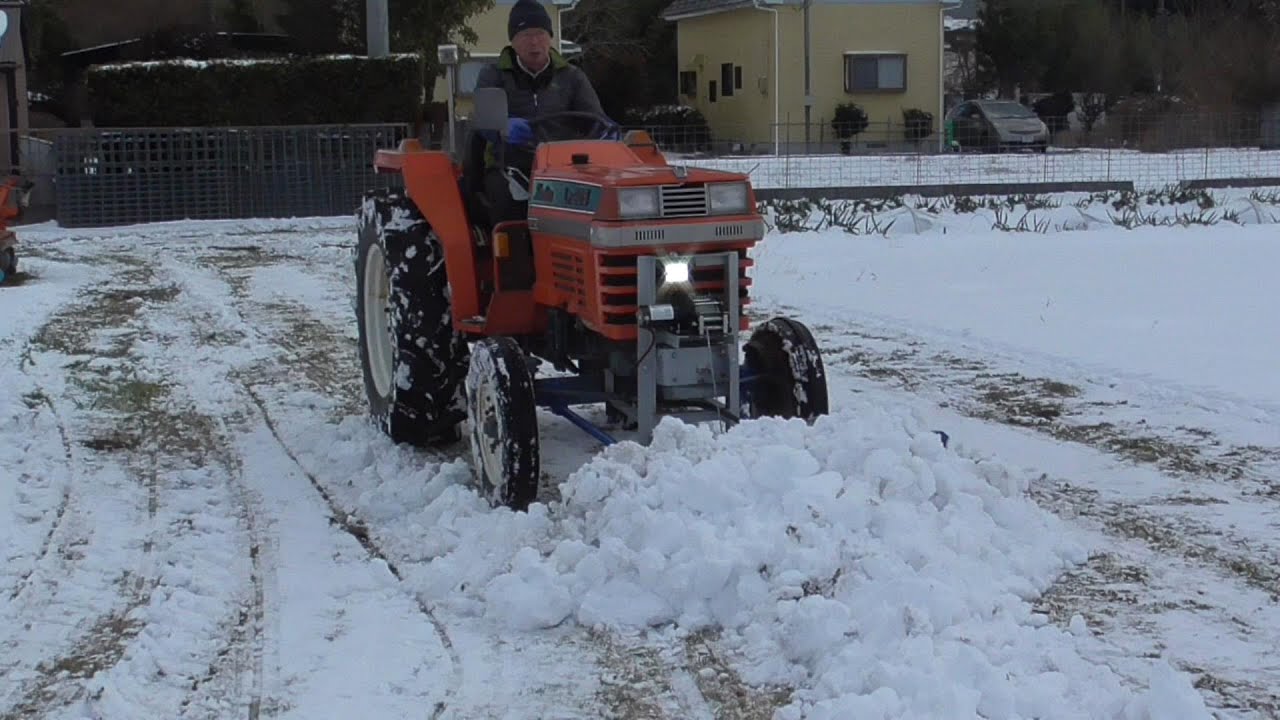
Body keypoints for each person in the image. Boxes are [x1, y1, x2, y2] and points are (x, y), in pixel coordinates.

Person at [471, 0, 613, 224]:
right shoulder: (494, 75)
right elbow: (484, 119)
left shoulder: (571, 76)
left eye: (540, 33)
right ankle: (513, 255)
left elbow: (595, 119)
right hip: (511, 164)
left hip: (564, 167)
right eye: (526, 35)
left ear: (550, 37)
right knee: (506, 202)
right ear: (513, 41)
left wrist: (608, 133)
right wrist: (503, 127)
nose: (534, 42)